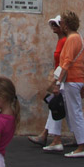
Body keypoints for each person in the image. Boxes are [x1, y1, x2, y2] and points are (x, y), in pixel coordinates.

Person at [44, 10, 84, 158]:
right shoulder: (79, 38)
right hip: (76, 80)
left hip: (72, 80)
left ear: (66, 25)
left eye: (62, 22)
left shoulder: (71, 39)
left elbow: (66, 63)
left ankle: (82, 146)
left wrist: (57, 83)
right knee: (73, 112)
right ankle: (77, 142)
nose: (60, 24)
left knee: (75, 113)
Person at [29, 15, 67, 148]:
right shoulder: (61, 40)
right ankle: (46, 135)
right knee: (57, 106)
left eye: (56, 25)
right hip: (59, 76)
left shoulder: (64, 41)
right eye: (53, 25)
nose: (53, 27)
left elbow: (64, 62)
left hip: (62, 78)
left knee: (56, 105)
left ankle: (54, 138)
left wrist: (58, 79)